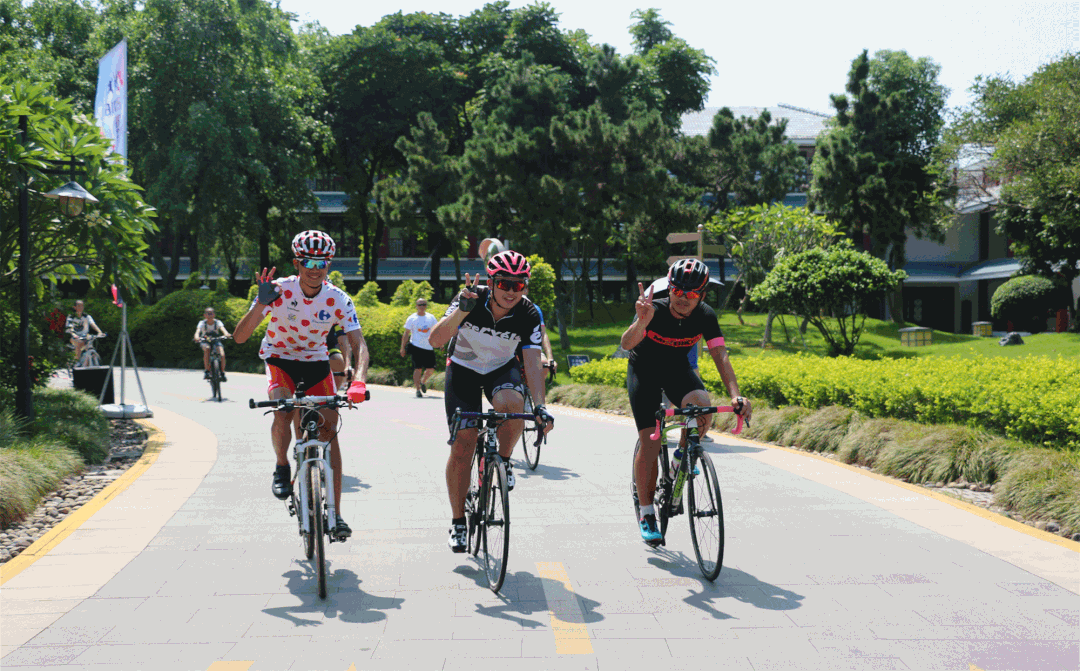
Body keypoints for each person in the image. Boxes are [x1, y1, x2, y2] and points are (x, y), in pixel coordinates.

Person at [233, 230, 370, 540]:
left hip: (316, 361)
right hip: (279, 358)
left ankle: (335, 513)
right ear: (296, 263)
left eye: (322, 263)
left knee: (330, 431)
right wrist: (259, 305)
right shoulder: (278, 290)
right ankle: (282, 464)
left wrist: (358, 381)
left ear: (329, 265)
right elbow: (240, 337)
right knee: (282, 409)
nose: (315, 269)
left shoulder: (338, 298)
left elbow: (359, 344)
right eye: (308, 261)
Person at [428, 250, 555, 553]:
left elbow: (532, 362)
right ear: (492, 281)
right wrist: (461, 311)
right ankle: (458, 521)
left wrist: (540, 406)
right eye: (504, 284)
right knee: (463, 443)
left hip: (500, 369)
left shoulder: (529, 313)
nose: (511, 291)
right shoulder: (471, 297)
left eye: (518, 285)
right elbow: (435, 340)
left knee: (514, 405)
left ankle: (504, 460)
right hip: (463, 369)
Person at [620, 258, 752, 546]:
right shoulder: (654, 309)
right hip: (644, 371)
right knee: (651, 441)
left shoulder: (705, 315)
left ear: (702, 295)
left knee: (702, 406)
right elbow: (626, 344)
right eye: (678, 291)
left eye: (692, 293)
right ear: (670, 288)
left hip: (677, 370)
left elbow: (720, 355)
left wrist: (735, 395)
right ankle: (646, 513)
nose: (683, 298)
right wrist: (641, 322)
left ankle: (680, 458)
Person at [399, 297, 438, 397]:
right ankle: (417, 390)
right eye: (420, 304)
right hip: (416, 346)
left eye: (424, 304)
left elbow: (436, 331)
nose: (422, 306)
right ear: (416, 306)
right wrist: (402, 347)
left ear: (426, 306)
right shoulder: (412, 318)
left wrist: (440, 343)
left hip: (429, 347)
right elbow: (406, 333)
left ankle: (422, 382)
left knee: (431, 369)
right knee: (418, 369)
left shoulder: (431, 318)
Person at [193, 307, 232, 381]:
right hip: (205, 340)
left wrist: (227, 334)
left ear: (214, 315)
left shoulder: (218, 322)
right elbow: (197, 331)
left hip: (216, 340)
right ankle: (207, 371)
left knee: (222, 354)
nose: (209, 315)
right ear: (204, 315)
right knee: (207, 349)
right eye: (208, 313)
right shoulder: (202, 323)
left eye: (211, 313)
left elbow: (223, 329)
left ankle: (222, 372)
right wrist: (196, 337)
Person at [67, 300, 103, 365]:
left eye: (82, 306)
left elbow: (93, 324)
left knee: (90, 344)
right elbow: (70, 328)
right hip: (75, 338)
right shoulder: (71, 317)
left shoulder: (87, 316)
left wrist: (99, 332)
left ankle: (89, 361)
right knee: (78, 344)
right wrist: (74, 334)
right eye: (79, 306)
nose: (81, 307)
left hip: (85, 337)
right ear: (74, 307)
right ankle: (76, 362)